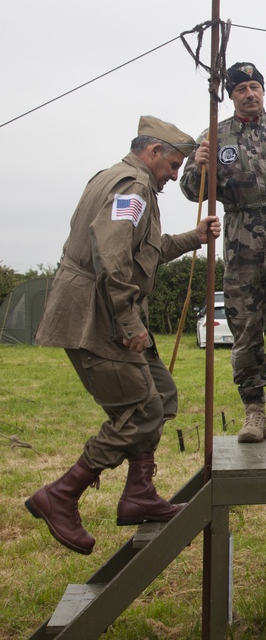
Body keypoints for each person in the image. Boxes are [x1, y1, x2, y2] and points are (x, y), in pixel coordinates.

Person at [25, 117, 221, 555]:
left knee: (162, 393)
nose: (175, 175)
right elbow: (111, 255)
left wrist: (194, 237)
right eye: (172, 165)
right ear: (152, 152)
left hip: (107, 312)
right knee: (141, 410)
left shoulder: (118, 180)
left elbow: (141, 250)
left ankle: (138, 494)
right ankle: (61, 494)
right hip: (99, 318)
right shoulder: (133, 187)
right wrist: (130, 324)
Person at [181, 62, 266, 444]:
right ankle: (254, 411)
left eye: (255, 86)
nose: (250, 93)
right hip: (243, 241)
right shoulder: (216, 135)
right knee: (245, 329)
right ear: (231, 95)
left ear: (264, 90)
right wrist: (198, 167)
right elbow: (192, 191)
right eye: (242, 88)